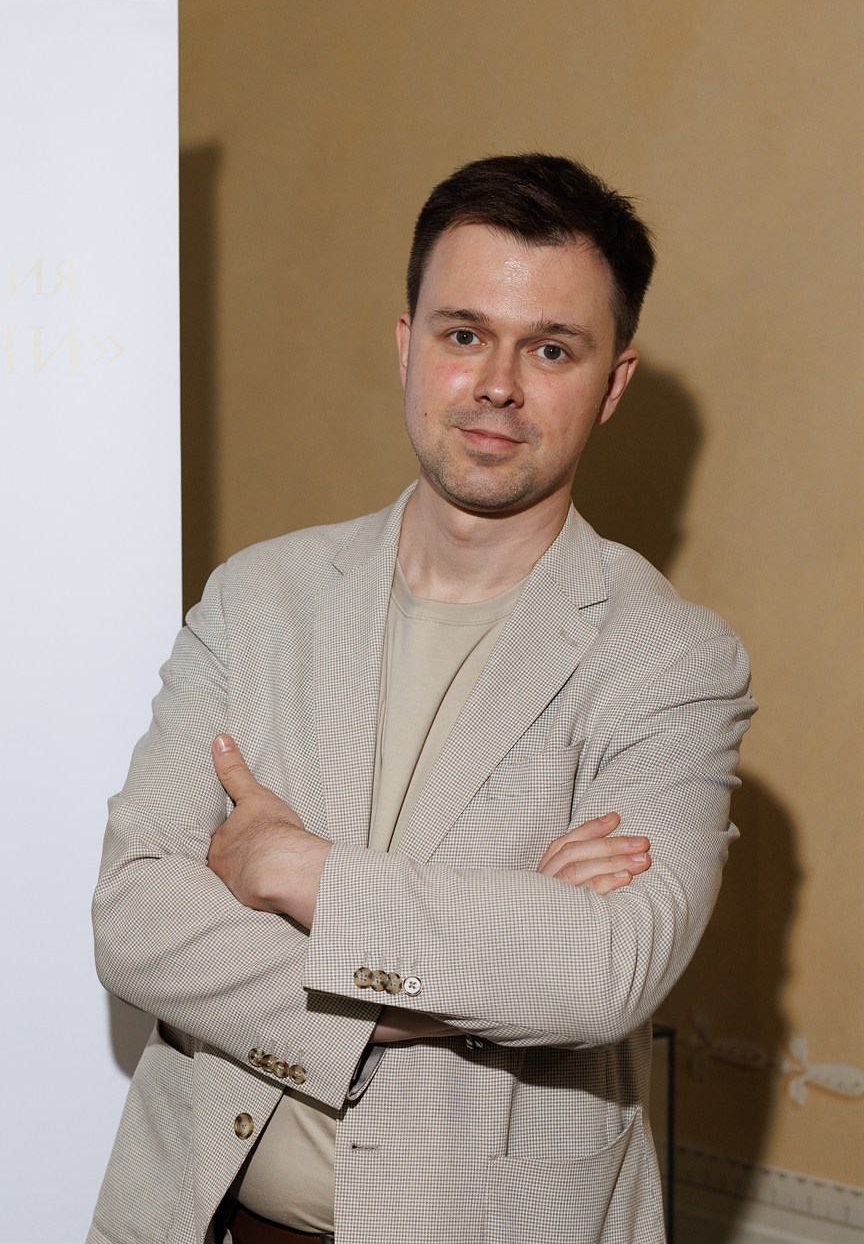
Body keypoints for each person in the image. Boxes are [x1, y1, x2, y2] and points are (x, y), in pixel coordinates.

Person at [89, 154, 754, 1244]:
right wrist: (490, 951)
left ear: (612, 383)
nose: (497, 384)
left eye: (551, 348)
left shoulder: (670, 661)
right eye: (463, 333)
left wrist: (292, 868)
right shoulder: (258, 598)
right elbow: (133, 918)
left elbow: (602, 971)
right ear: (408, 346)